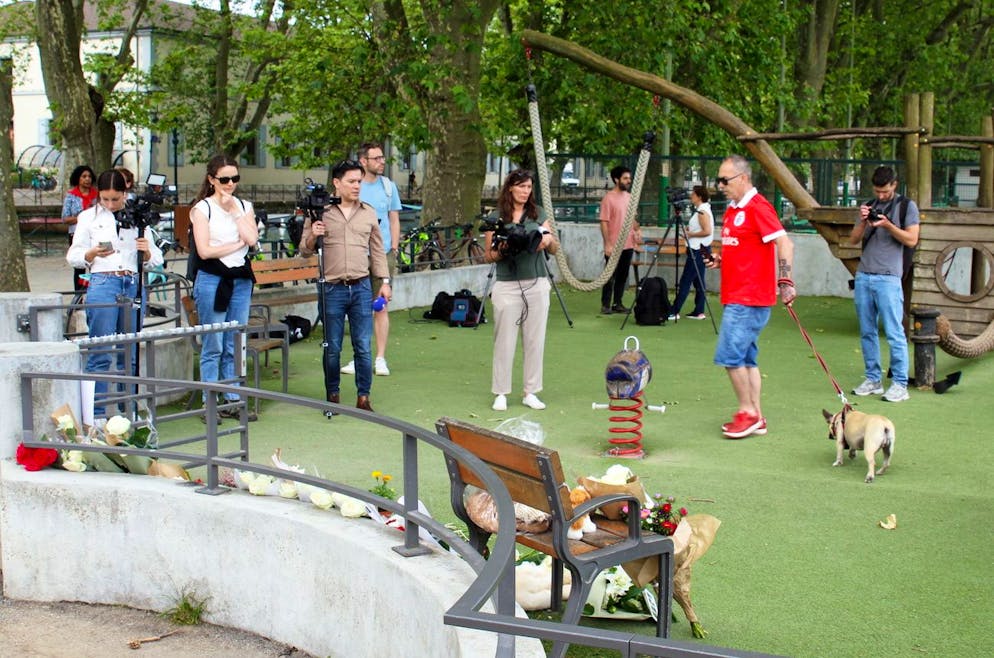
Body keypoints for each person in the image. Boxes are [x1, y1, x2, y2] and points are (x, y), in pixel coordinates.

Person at [708, 155, 796, 439]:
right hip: (736, 295)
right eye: (719, 180)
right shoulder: (733, 209)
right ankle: (757, 415)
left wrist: (785, 280)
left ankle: (747, 413)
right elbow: (742, 247)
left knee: (729, 356)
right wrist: (721, 259)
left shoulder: (758, 207)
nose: (720, 186)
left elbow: (785, 243)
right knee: (747, 359)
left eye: (725, 180)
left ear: (743, 178)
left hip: (749, 298)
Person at [66, 169, 164, 417]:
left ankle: (128, 411)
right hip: (103, 281)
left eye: (115, 199)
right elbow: (73, 256)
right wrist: (91, 253)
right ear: (99, 194)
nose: (110, 204)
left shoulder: (137, 215)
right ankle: (96, 414)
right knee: (100, 350)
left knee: (130, 352)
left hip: (131, 281)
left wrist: (147, 252)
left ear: (124, 193)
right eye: (105, 199)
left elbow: (156, 258)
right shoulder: (88, 217)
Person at [300, 159, 391, 416]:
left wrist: (384, 282)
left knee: (363, 345)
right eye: (351, 181)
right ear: (337, 183)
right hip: (331, 288)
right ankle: (333, 396)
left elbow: (377, 250)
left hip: (361, 286)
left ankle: (364, 397)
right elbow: (304, 250)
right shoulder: (320, 212)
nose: (356, 186)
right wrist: (313, 234)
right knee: (333, 347)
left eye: (359, 181)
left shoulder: (368, 212)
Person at [189, 155, 259, 420]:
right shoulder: (202, 208)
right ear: (212, 180)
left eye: (234, 178)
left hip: (240, 278)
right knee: (213, 342)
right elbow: (205, 251)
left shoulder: (244, 206)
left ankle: (232, 398)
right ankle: (209, 401)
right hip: (212, 278)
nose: (230, 184)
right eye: (224, 179)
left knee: (235, 341)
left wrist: (235, 212)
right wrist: (236, 245)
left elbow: (251, 239)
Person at [484, 169, 559, 412]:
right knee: (504, 341)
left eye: (528, 187)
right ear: (510, 188)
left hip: (536, 282)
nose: (525, 191)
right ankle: (501, 392)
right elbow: (489, 255)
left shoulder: (539, 214)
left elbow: (554, 248)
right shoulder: (496, 217)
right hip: (507, 284)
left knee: (535, 340)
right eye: (521, 186)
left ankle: (531, 391)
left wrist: (545, 240)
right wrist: (506, 247)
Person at [847, 165, 920, 403]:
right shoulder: (869, 206)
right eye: (877, 191)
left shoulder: (906, 206)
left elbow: (912, 239)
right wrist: (863, 221)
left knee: (894, 332)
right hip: (864, 275)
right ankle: (873, 379)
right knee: (867, 331)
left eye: (885, 191)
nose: (881, 195)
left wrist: (888, 225)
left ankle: (900, 383)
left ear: (895, 185)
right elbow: (853, 240)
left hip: (889, 277)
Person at [340, 142, 400, 377]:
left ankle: (380, 358)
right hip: (357, 254)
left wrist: (393, 249)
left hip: (382, 254)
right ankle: (360, 357)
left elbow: (394, 219)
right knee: (358, 308)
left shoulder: (388, 187)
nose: (382, 162)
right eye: (376, 158)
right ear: (363, 161)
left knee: (381, 306)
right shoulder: (354, 187)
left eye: (382, 158)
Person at [599, 165, 641, 314]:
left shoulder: (630, 198)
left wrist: (637, 230)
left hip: (628, 244)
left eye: (629, 178)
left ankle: (618, 303)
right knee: (610, 275)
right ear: (617, 180)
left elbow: (632, 220)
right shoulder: (608, 198)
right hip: (614, 245)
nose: (629, 181)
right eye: (625, 178)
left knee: (623, 275)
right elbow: (604, 222)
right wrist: (607, 244)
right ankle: (605, 304)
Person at [669, 185, 714, 320]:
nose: (691, 196)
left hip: (698, 250)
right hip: (700, 249)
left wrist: (691, 234)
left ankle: (674, 310)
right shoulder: (701, 210)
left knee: (686, 280)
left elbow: (707, 231)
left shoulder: (702, 211)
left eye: (693, 194)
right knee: (698, 281)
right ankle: (699, 311)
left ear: (699, 197)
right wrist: (691, 231)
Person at [62, 164, 98, 291]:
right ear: (78, 178)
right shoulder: (71, 196)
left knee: (96, 265)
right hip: (76, 234)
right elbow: (65, 218)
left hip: (95, 233)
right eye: (84, 176)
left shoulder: (97, 195)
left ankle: (95, 292)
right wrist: (82, 216)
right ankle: (79, 294)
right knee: (79, 266)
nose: (87, 179)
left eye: (89, 176)